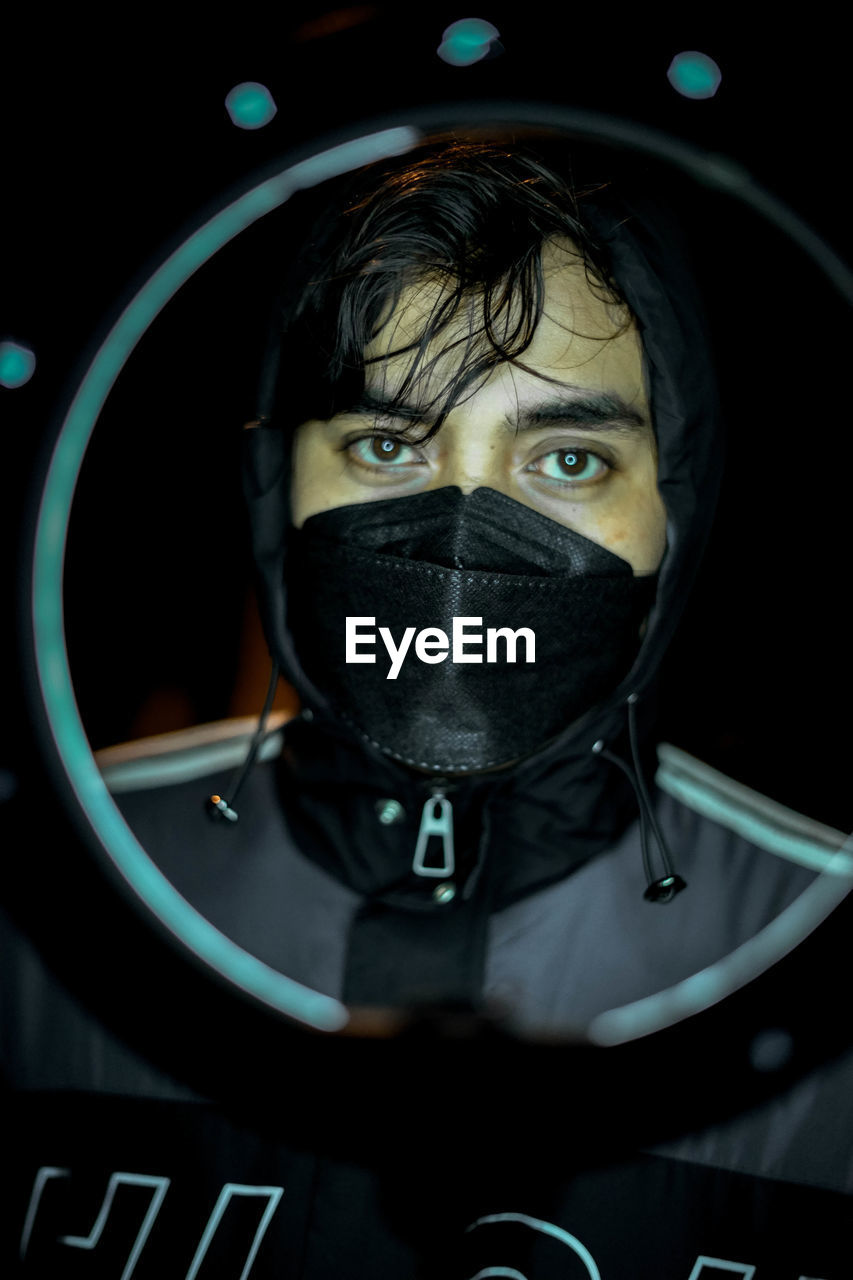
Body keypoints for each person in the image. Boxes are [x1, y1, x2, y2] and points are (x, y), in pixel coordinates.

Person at [3, 133, 852, 1275]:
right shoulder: (42, 879)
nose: (459, 534)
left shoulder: (817, 935)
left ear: (677, 513)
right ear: (279, 491)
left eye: (565, 461)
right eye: (388, 441)